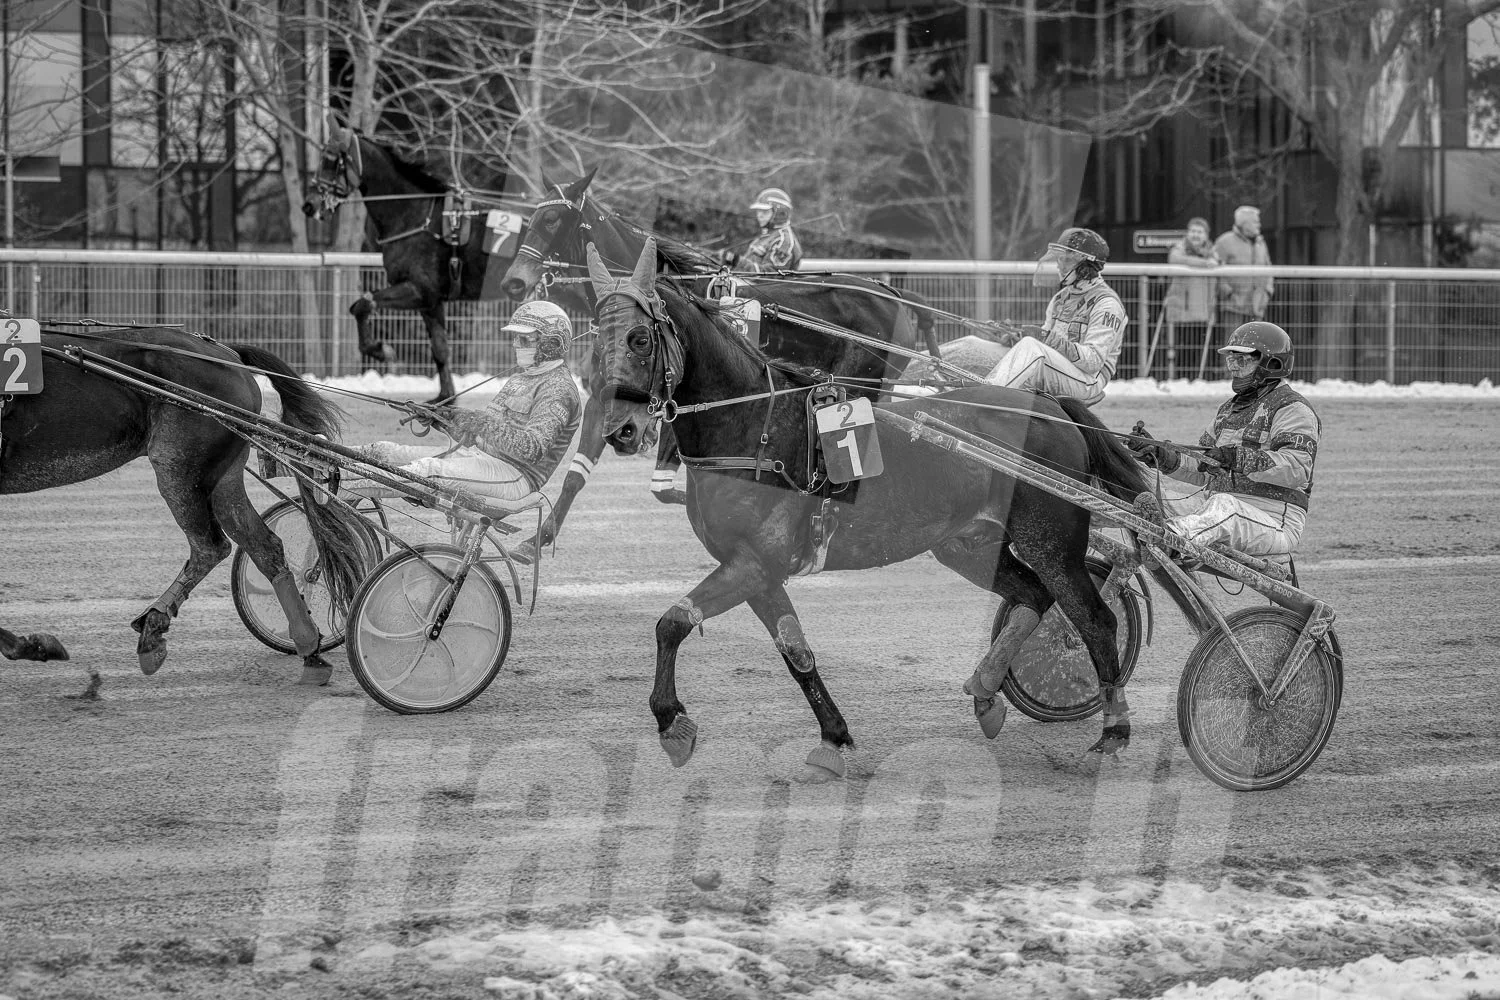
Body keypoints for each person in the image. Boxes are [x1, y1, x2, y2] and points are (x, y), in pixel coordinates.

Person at [350, 300, 582, 503]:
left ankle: (340, 487)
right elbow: (479, 437)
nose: (514, 344)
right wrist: (443, 418)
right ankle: (325, 463)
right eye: (515, 338)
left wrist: (479, 421)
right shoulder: (520, 378)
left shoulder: (559, 390)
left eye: (523, 339)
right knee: (386, 451)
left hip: (515, 476)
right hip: (481, 459)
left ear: (549, 344)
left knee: (427, 470)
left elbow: (531, 449)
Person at [1126, 321, 1319, 559]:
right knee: (1141, 492)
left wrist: (1235, 458)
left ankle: (1169, 539)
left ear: (1272, 363)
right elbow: (1203, 466)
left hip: (1272, 522)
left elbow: (1296, 469)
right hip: (1214, 512)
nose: (1234, 368)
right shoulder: (1227, 410)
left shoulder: (1292, 408)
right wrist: (1159, 455)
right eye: (1231, 360)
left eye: (1242, 360)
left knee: (1225, 507)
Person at [982, 227, 1127, 406]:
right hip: (1061, 369)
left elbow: (1093, 362)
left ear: (1085, 266)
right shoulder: (1061, 297)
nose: (1059, 264)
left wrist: (1043, 338)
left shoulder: (1106, 303)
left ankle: (987, 401)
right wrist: (1013, 338)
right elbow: (1045, 342)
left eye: (1066, 259)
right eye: (1059, 258)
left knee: (1030, 347)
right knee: (982, 347)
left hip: (1088, 381)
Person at [1213, 206, 1273, 361]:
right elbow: (1215, 270)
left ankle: (1252, 378)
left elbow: (1269, 269)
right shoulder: (1224, 242)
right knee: (1234, 345)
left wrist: (1267, 292)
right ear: (1244, 224)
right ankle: (1230, 377)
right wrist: (1227, 292)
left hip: (1257, 305)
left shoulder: (1261, 243)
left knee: (1255, 347)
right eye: (1255, 222)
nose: (1259, 225)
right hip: (1234, 305)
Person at [1163, 217, 1219, 378]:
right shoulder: (1179, 248)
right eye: (1193, 231)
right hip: (1183, 307)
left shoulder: (1213, 252)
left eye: (1199, 232)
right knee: (1183, 347)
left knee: (1199, 347)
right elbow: (1175, 259)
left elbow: (1219, 263)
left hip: (1203, 308)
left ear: (1206, 235)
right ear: (1187, 233)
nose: (1196, 235)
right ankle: (1181, 378)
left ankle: (1198, 378)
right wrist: (1204, 263)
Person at [731, 187, 802, 273]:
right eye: (758, 211)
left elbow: (770, 275)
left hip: (763, 286)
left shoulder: (783, 241)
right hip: (748, 284)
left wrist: (737, 261)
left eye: (765, 212)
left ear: (780, 213)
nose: (759, 216)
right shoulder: (767, 236)